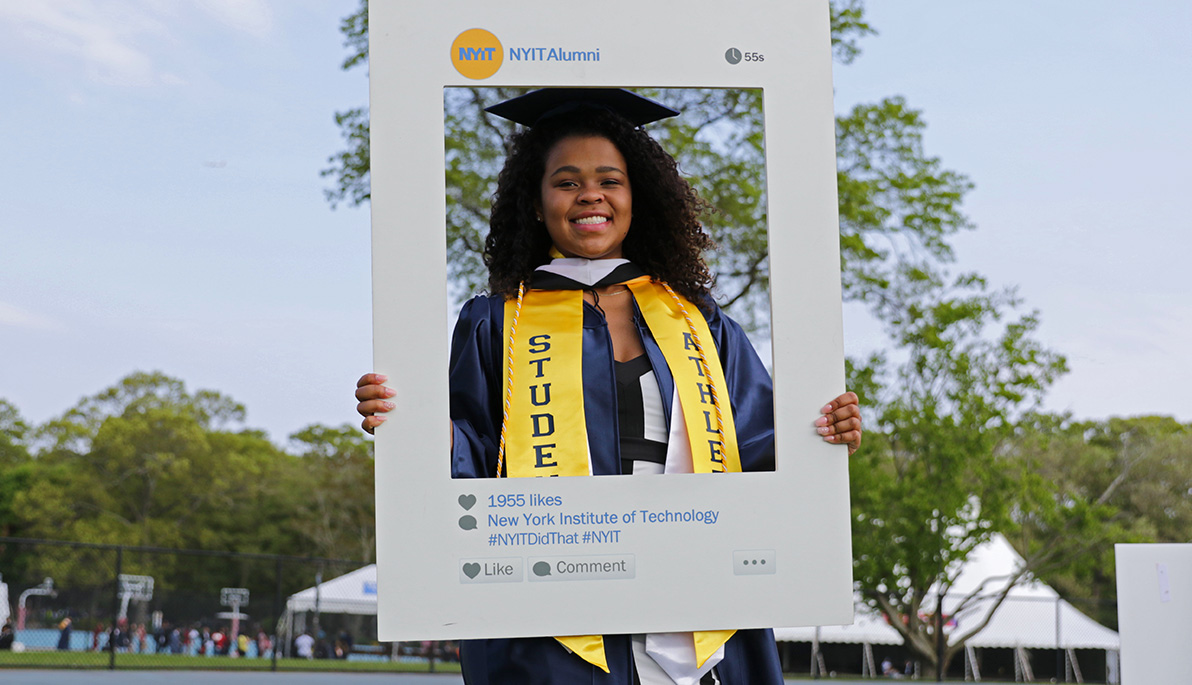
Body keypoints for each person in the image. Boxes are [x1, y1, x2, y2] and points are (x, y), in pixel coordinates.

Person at [356, 88, 862, 685]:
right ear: (537, 201)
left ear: (635, 197)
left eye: (609, 180)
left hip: (695, 584)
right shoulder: (497, 322)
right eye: (566, 181)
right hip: (552, 604)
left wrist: (824, 435)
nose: (589, 194)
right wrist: (417, 428)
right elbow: (474, 453)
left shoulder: (698, 322)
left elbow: (757, 446)